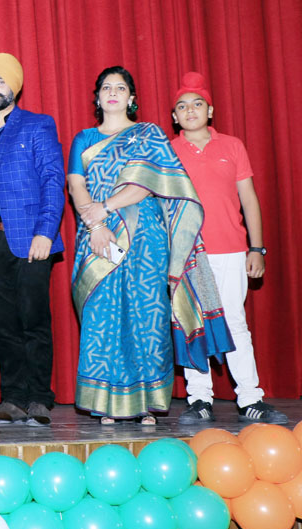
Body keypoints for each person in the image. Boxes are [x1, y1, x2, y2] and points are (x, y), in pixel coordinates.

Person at [67, 66, 231, 425]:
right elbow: (76, 185)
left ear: (131, 97)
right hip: (97, 234)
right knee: (103, 317)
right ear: (97, 97)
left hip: (145, 236)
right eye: (106, 87)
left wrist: (105, 208)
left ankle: (146, 404)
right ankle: (107, 404)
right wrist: (95, 224)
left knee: (147, 316)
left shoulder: (149, 135)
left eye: (120, 87)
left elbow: (147, 185)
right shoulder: (83, 138)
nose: (113, 92)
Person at [170, 72, 286, 425]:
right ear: (174, 117)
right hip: (186, 254)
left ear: (210, 110)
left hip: (230, 250)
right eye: (182, 106)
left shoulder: (232, 146)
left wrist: (257, 248)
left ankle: (250, 397)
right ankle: (199, 399)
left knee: (235, 322)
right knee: (192, 324)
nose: (190, 111)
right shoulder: (167, 151)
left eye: (197, 104)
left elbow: (248, 199)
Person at [0, 54, 65, 427]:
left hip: (31, 241)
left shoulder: (38, 126)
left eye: (0, 81)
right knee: (1, 325)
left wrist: (45, 231)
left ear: (14, 86)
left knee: (33, 320)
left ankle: (39, 398)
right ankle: (13, 399)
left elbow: (54, 180)